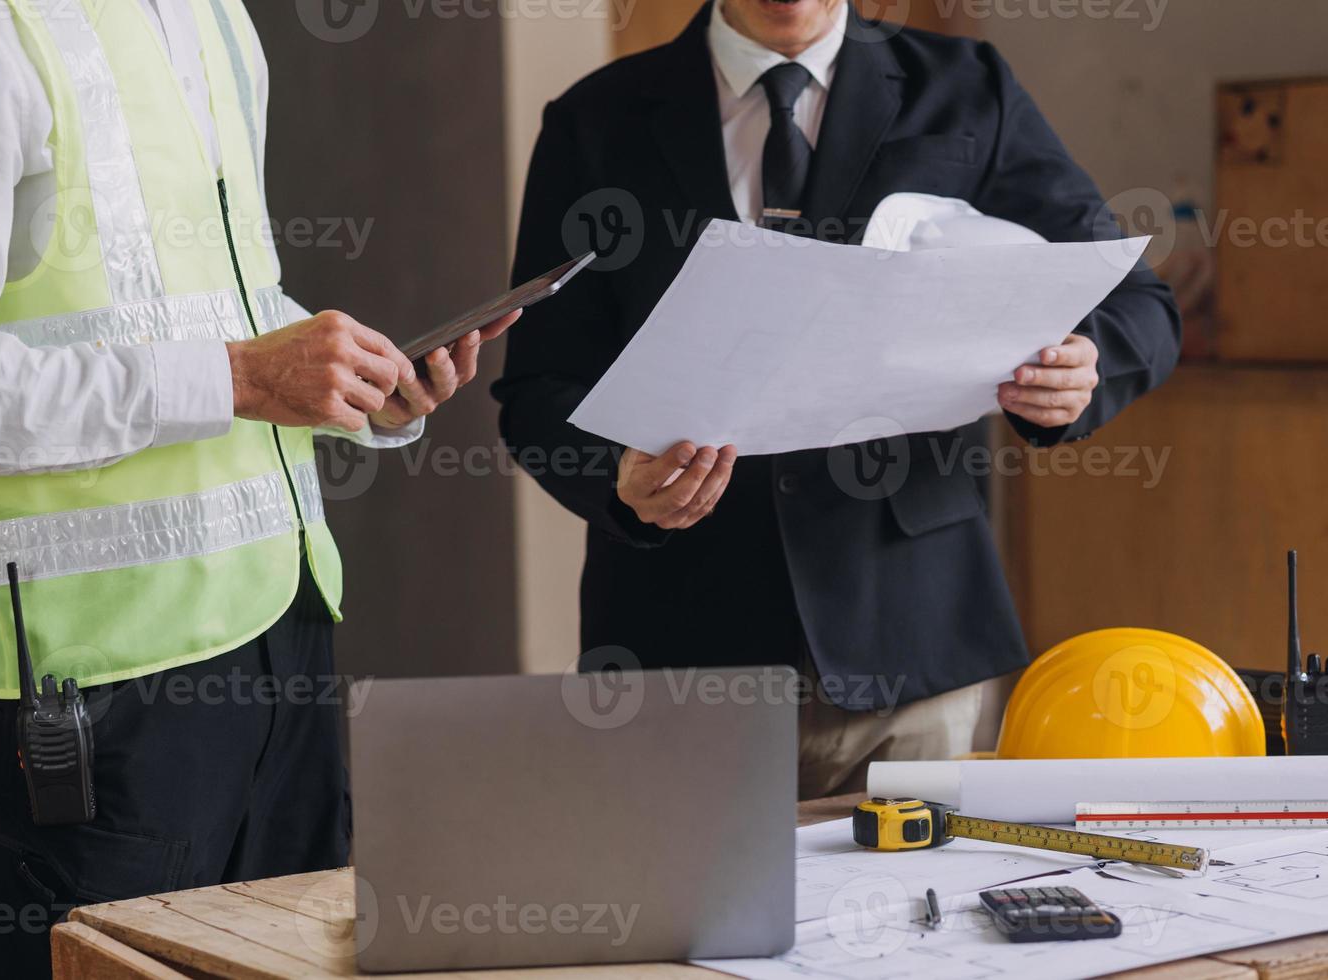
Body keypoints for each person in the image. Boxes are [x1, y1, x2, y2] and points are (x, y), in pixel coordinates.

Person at [0, 2, 516, 974]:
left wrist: (358, 383)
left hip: (278, 637)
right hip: (88, 681)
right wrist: (241, 378)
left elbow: (226, 296)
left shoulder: (212, 15)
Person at [494, 0, 1180, 799]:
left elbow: (1140, 302)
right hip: (678, 652)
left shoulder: (967, 86)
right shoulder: (595, 119)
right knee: (688, 927)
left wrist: (1086, 364)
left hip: (917, 640)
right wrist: (616, 478)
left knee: (924, 922)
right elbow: (536, 387)